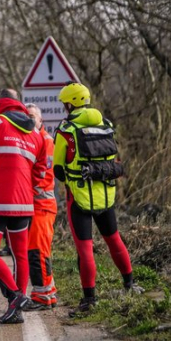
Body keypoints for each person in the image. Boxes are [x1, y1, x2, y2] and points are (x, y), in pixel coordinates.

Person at [53, 83, 142, 317]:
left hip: (79, 196)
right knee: (113, 239)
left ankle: (90, 299)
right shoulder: (106, 124)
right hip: (106, 194)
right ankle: (130, 284)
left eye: (65, 103)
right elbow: (112, 159)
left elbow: (59, 169)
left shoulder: (66, 130)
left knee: (85, 248)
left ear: (70, 103)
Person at [0, 88, 47, 324]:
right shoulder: (36, 134)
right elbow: (41, 171)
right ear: (19, 104)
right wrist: (27, 187)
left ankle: (15, 296)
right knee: (19, 254)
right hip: (24, 203)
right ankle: (17, 309)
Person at [23, 103, 58, 311]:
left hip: (42, 204)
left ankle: (43, 297)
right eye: (26, 115)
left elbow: (41, 174)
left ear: (41, 120)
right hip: (37, 204)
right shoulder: (35, 139)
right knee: (37, 250)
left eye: (32, 116)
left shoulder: (44, 141)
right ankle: (47, 293)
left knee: (38, 251)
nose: (29, 118)